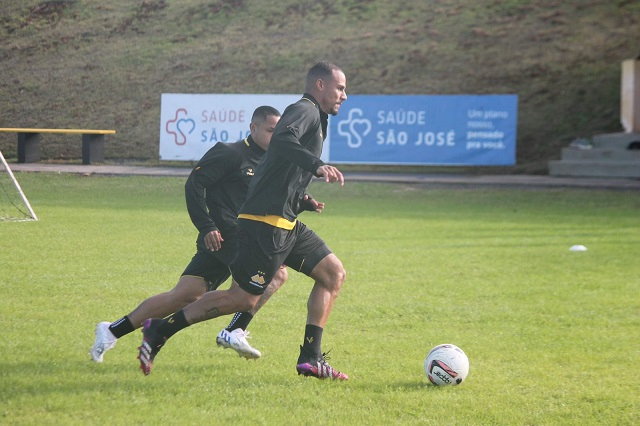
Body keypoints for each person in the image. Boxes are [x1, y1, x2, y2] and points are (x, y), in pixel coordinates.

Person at [138, 61, 349, 380]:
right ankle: (159, 332)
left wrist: (302, 198)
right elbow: (282, 140)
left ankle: (310, 358)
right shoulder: (304, 109)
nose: (344, 95)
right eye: (340, 88)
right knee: (242, 297)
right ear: (320, 86)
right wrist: (317, 165)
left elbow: (281, 169)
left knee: (333, 274)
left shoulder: (317, 117)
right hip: (265, 224)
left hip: (286, 222)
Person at [90, 106, 305, 362]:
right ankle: (235, 329)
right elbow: (194, 185)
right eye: (270, 130)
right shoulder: (230, 153)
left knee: (184, 295)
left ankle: (111, 330)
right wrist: (207, 226)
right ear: (253, 128)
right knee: (276, 274)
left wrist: (304, 202)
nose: (275, 136)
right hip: (226, 235)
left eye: (278, 131)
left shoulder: (270, 162)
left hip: (236, 239)